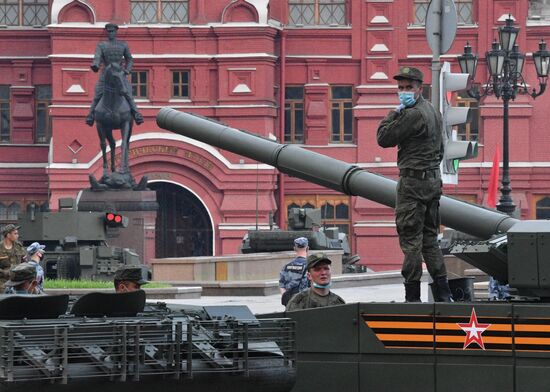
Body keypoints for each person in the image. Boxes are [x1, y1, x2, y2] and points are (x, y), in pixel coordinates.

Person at [376, 66, 452, 303]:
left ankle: (412, 298)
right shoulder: (433, 112)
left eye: (408, 88)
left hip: (412, 184)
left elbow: (383, 138)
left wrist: (392, 113)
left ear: (420, 88)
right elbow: (441, 150)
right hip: (432, 182)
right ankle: (443, 295)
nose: (403, 92)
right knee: (430, 239)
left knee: (411, 242)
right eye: (400, 88)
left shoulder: (411, 114)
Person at [85, 23, 144, 126]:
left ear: (116, 32)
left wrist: (126, 71)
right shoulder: (101, 45)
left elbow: (129, 59)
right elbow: (97, 58)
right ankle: (91, 115)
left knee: (128, 94)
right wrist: (95, 65)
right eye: (109, 31)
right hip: (106, 75)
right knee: (97, 95)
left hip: (120, 74)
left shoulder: (123, 45)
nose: (110, 33)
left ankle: (136, 114)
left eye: (112, 31)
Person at [279, 237, 310, 306]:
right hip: (306, 304)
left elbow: (282, 285)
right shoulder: (311, 266)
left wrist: (287, 301)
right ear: (307, 248)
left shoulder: (286, 266)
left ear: (294, 249)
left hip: (290, 304)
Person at [0, 224, 26, 291]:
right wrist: (5, 272)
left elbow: (24, 262)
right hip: (3, 282)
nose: (17, 235)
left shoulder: (18, 246)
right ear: (8, 235)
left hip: (17, 281)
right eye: (15, 233)